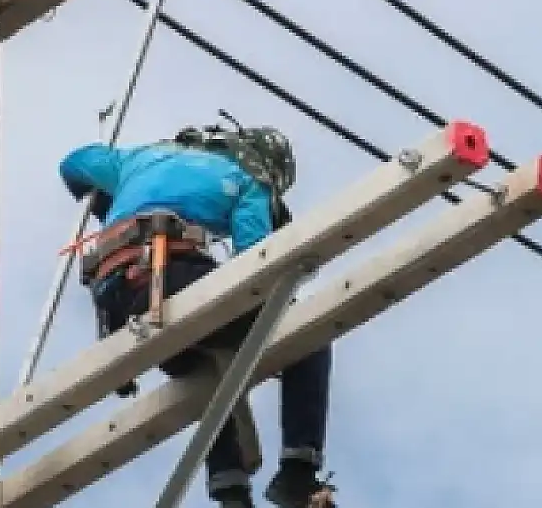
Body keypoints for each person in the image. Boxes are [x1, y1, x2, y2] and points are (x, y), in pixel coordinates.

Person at [58, 124, 336, 508]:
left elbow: (73, 163)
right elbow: (256, 267)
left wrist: (109, 205)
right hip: (170, 278)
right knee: (308, 330)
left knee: (206, 370)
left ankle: (232, 494)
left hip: (117, 301)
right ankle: (298, 472)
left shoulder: (135, 160)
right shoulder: (245, 182)